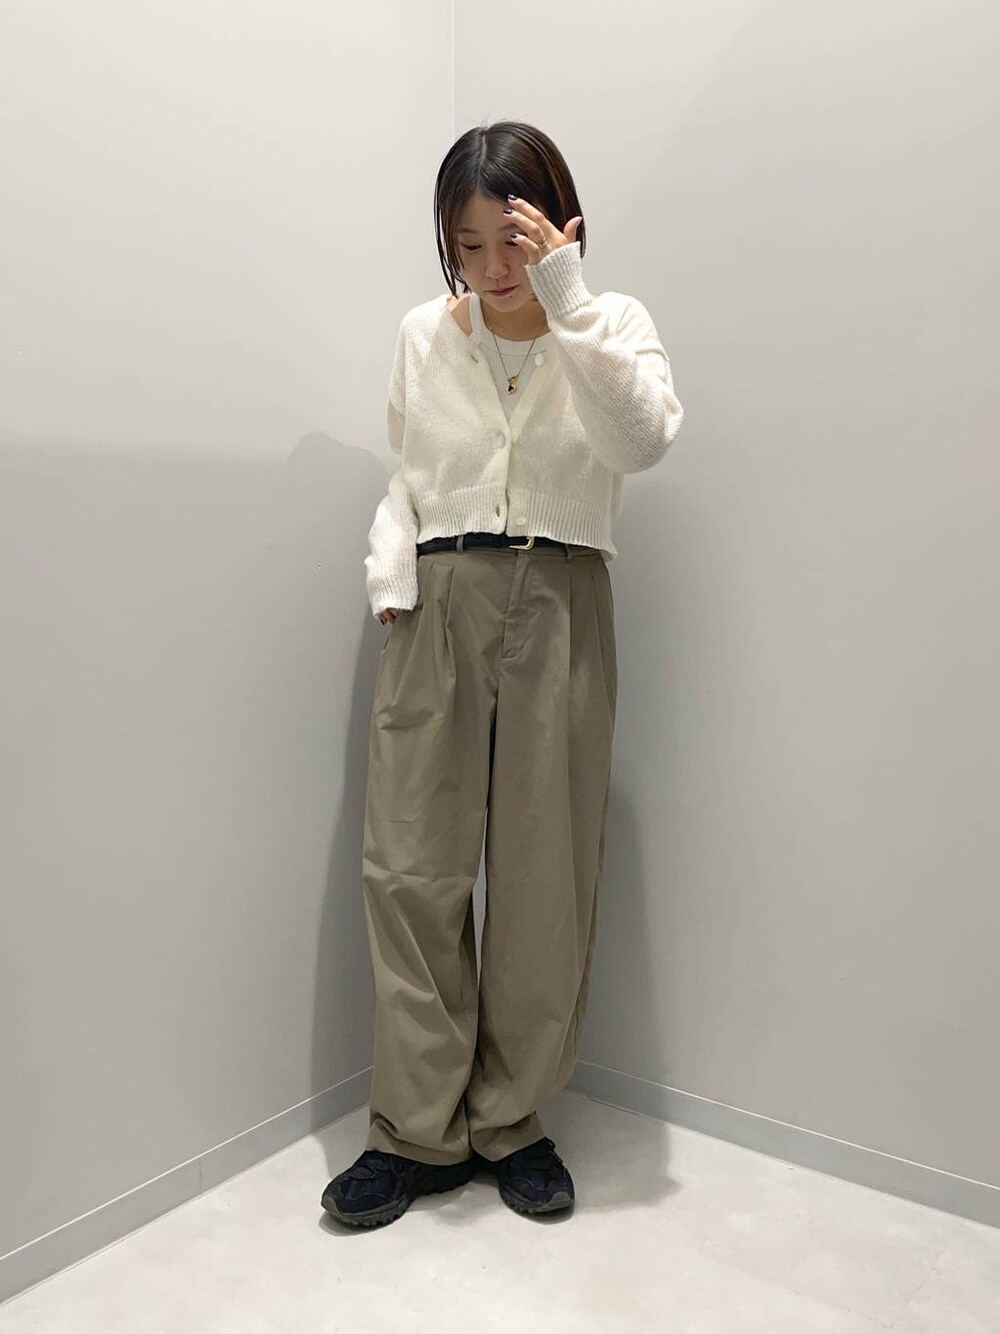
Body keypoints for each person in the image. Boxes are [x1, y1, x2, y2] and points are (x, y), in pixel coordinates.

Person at [321, 120, 684, 1229]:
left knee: (543, 874)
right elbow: (410, 473)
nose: (489, 267)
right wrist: (391, 569)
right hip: (436, 602)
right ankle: (416, 1131)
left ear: (558, 227)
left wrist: (568, 300)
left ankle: (513, 1121)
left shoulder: (610, 324)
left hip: (562, 598)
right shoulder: (422, 335)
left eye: (510, 240)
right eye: (466, 244)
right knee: (409, 871)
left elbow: (640, 443)